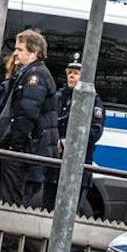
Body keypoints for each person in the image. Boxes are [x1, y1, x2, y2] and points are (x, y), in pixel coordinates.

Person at [0, 28, 58, 252]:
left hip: (21, 150)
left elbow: (26, 113)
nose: (15, 54)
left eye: (20, 49)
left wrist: (13, 147)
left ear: (34, 52)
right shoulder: (26, 73)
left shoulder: (35, 76)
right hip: (21, 147)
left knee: (12, 202)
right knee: (10, 201)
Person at [49, 55, 107, 216]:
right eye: (70, 72)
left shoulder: (93, 101)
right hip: (55, 164)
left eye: (76, 73)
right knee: (47, 209)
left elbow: (94, 132)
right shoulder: (59, 97)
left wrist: (66, 143)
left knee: (69, 213)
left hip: (77, 165)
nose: (71, 76)